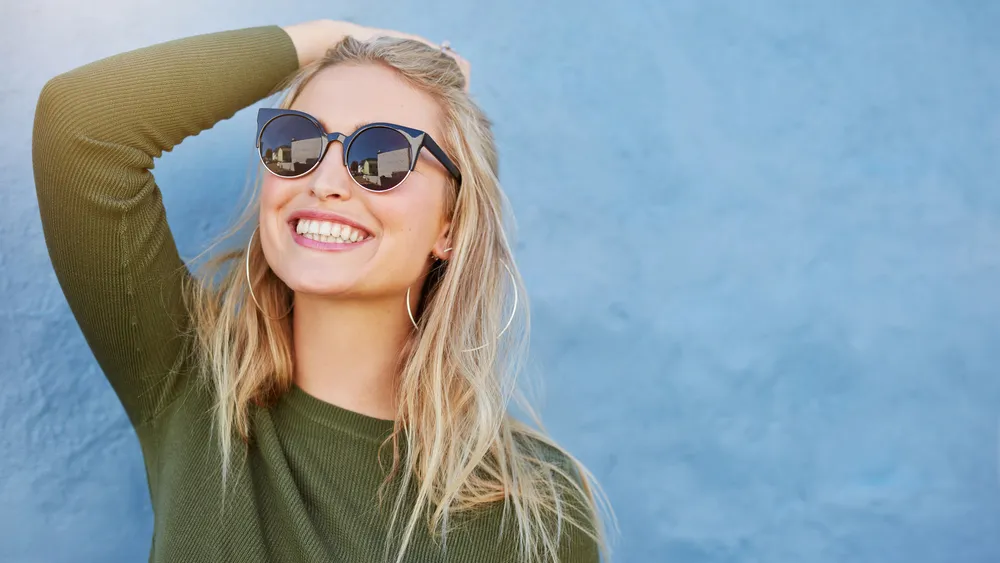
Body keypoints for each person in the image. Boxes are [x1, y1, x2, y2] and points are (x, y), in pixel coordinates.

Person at [32, 18, 614, 563]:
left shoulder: (535, 507)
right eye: (298, 142)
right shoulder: (192, 385)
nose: (326, 182)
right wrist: (337, 40)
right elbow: (80, 126)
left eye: (382, 154)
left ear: (451, 227)